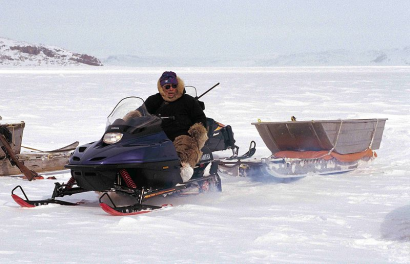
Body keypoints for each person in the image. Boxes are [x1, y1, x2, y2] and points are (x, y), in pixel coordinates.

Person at [124, 71, 208, 182]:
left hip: (182, 137)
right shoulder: (154, 100)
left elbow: (200, 118)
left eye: (174, 86)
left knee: (185, 148)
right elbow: (140, 113)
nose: (171, 89)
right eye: (167, 86)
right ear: (162, 88)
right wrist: (130, 121)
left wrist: (197, 132)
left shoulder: (188, 101)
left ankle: (182, 171)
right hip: (157, 137)